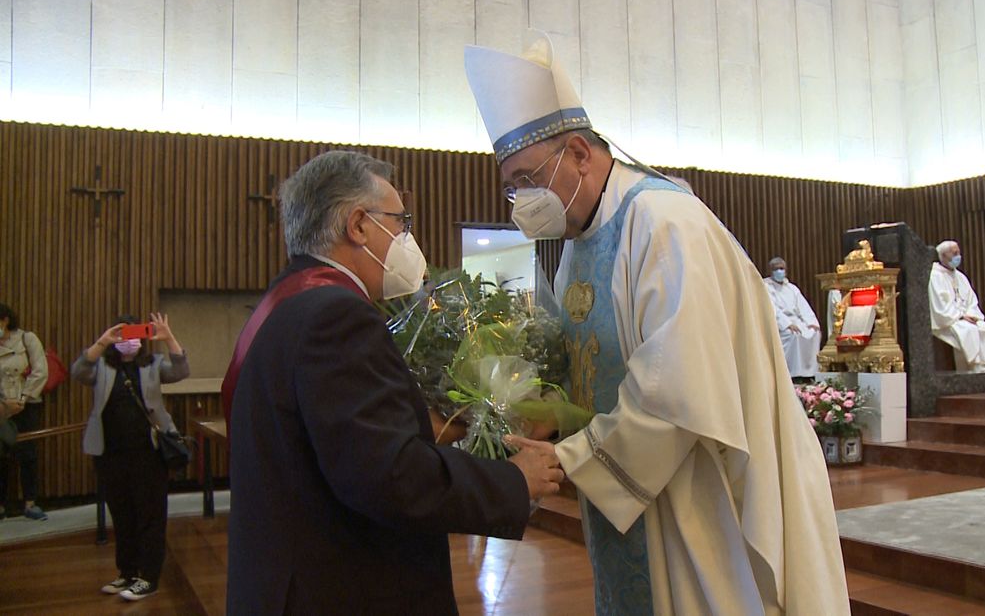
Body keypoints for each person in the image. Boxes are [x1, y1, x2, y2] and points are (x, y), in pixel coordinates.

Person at [465, 33, 849, 614]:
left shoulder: (664, 223)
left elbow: (680, 386)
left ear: (578, 152)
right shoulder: (582, 235)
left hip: (695, 495)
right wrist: (536, 405)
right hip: (632, 493)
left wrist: (573, 456)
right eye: (511, 184)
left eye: (527, 176)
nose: (521, 198)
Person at [223, 150, 563, 615]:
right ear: (359, 225)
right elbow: (391, 478)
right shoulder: (336, 316)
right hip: (342, 587)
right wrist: (514, 480)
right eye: (401, 222)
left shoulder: (285, 303)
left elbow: (341, 446)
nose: (408, 238)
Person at [72, 313, 187, 602]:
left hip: (148, 454)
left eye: (136, 334)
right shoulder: (101, 366)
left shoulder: (152, 364)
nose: (130, 341)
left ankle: (148, 578)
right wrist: (103, 341)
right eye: (124, 335)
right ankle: (127, 572)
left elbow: (181, 370)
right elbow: (78, 371)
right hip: (110, 454)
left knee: (150, 516)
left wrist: (168, 337)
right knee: (122, 516)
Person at [0, 302, 49, 521]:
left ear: (5, 320)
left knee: (28, 453)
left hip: (26, 404)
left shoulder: (26, 339)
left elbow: (40, 370)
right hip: (1, 408)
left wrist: (23, 398)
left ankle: (30, 502)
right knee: (1, 455)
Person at [929, 240, 985, 373]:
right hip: (948, 321)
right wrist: (961, 316)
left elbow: (971, 300)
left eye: (959, 253)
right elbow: (939, 306)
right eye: (954, 253)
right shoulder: (935, 277)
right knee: (969, 331)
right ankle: (975, 367)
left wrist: (972, 314)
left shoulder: (960, 276)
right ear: (943, 256)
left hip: (966, 317)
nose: (958, 256)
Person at [763, 257, 821, 381]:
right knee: (792, 334)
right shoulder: (766, 287)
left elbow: (803, 306)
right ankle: (793, 373)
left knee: (814, 333)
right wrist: (787, 324)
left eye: (782, 268)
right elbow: (772, 309)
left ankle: (810, 372)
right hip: (780, 323)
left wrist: (811, 322)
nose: (779, 271)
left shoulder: (792, 288)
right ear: (770, 271)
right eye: (776, 269)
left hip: (797, 320)